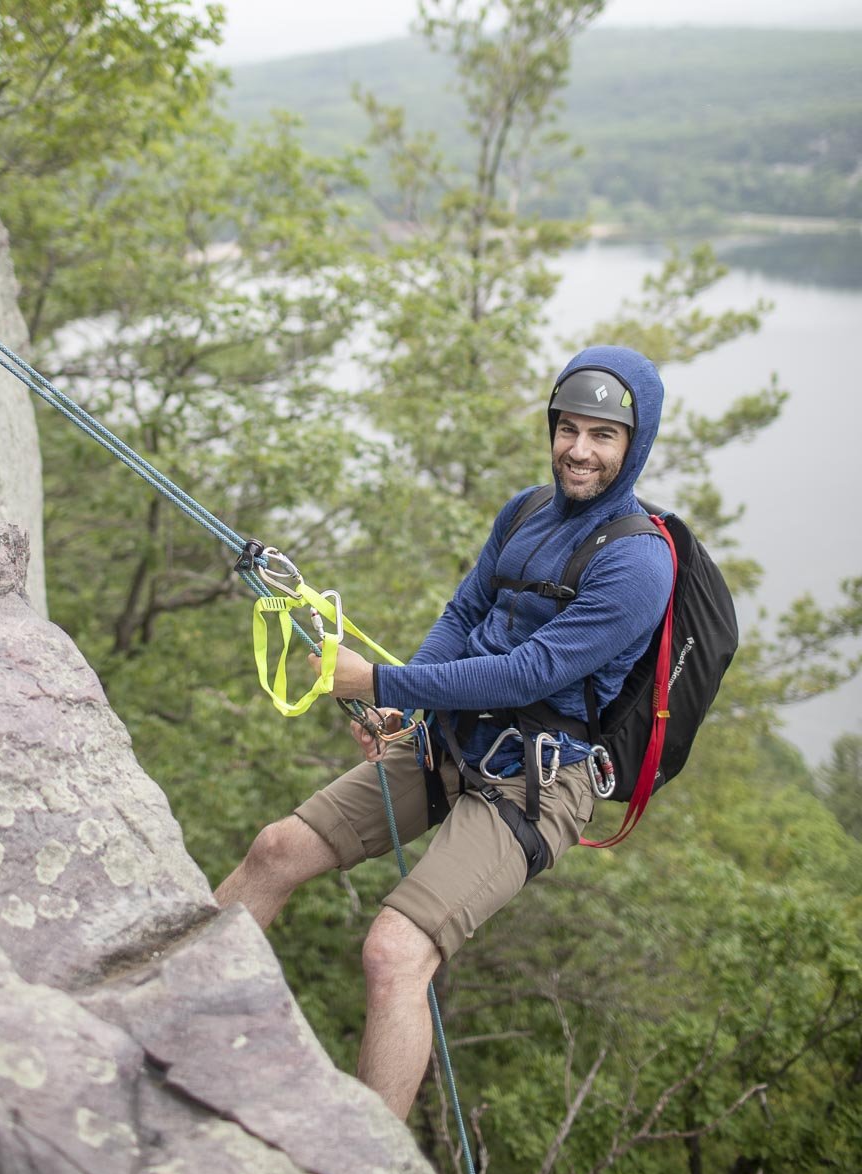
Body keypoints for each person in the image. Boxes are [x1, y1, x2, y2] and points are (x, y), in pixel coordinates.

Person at [214, 344, 673, 1119]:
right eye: (569, 428)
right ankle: (180, 1000)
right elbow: (466, 615)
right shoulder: (527, 511)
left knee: (394, 953)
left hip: (537, 781)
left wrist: (384, 682)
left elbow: (531, 672)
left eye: (604, 435)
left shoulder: (638, 564)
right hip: (450, 739)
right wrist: (408, 710)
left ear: (634, 444)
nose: (579, 451)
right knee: (275, 849)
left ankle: (367, 1169)